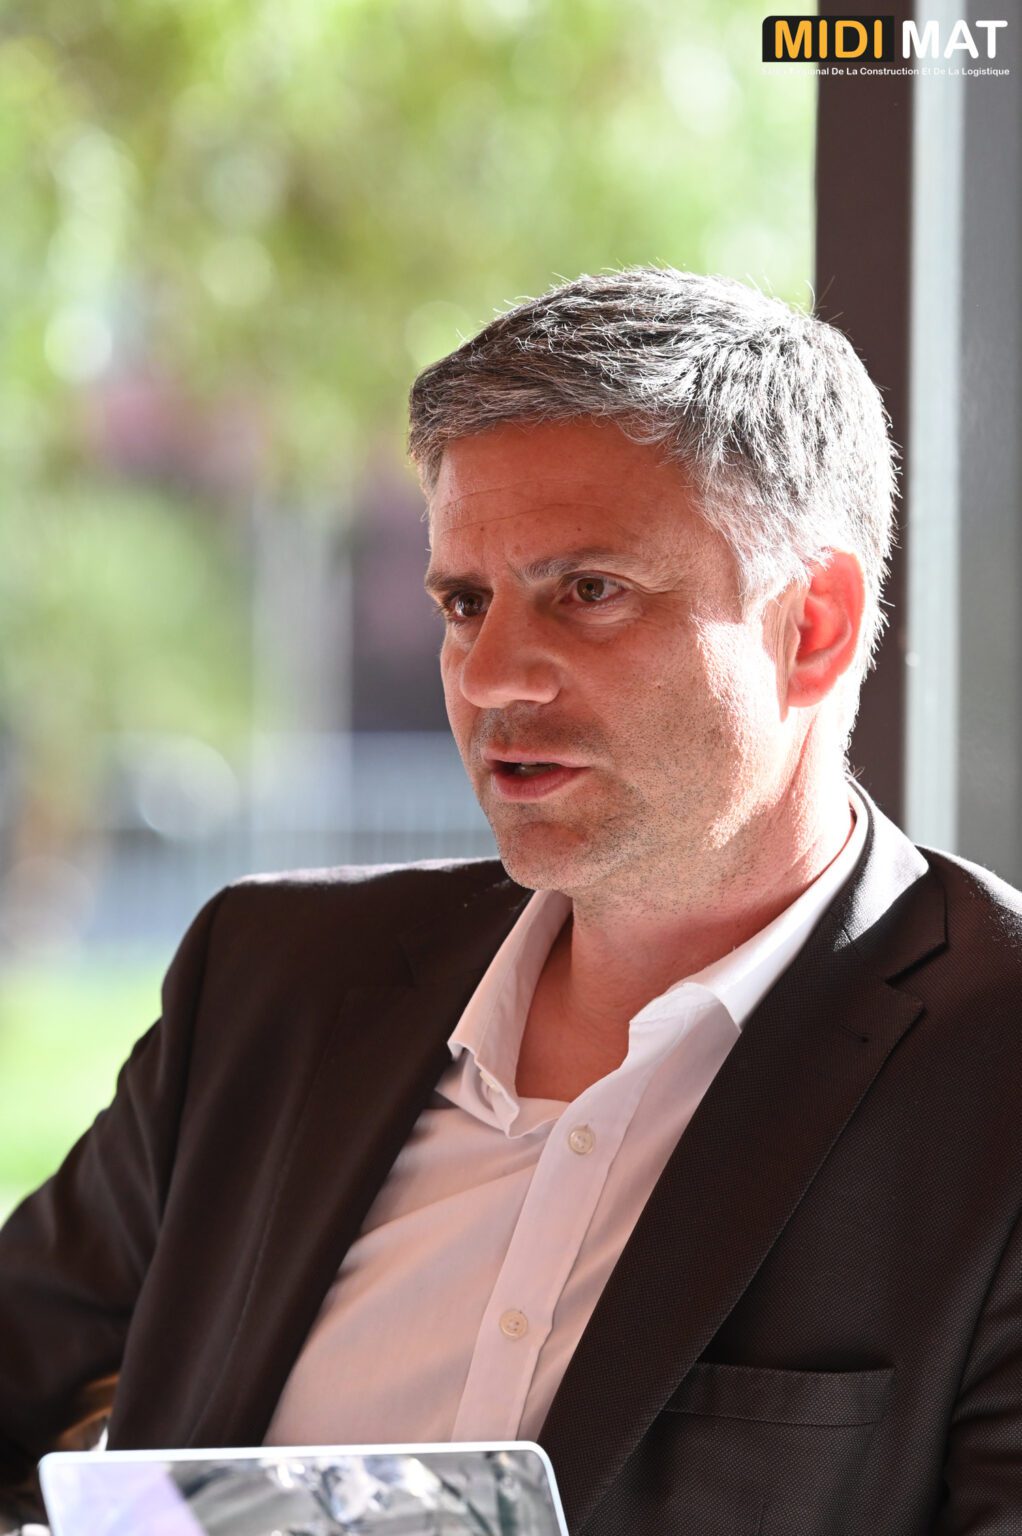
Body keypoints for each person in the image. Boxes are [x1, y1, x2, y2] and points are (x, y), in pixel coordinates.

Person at [1, 268, 1020, 1536]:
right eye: (463, 602)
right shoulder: (267, 982)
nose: (488, 677)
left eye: (586, 591)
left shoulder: (994, 1071)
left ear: (809, 625)